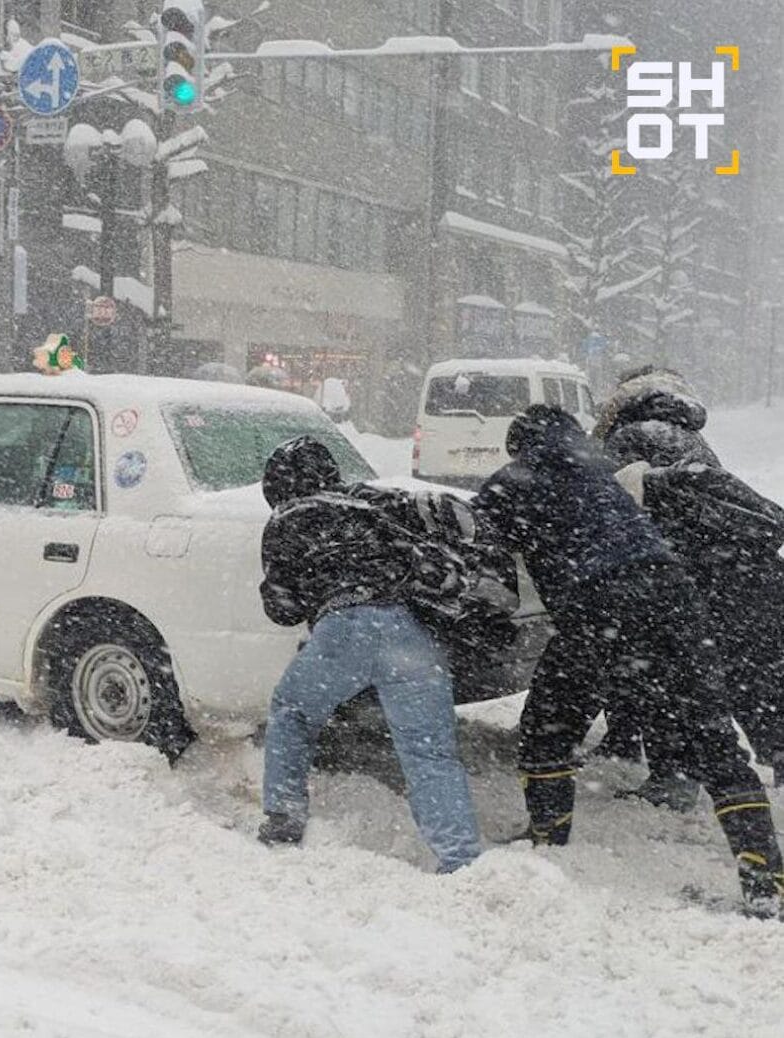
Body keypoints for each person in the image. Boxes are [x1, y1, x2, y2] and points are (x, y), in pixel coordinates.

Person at [467, 404, 784, 915]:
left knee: (548, 724)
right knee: (714, 739)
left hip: (598, 605)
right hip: (674, 595)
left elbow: (480, 557)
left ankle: (547, 836)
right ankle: (765, 872)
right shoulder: (602, 473)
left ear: (519, 445)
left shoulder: (514, 479)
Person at [256, 435, 482, 874]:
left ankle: (284, 818)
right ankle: (460, 858)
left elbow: (281, 608)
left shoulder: (289, 518)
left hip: (345, 631)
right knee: (429, 753)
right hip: (410, 636)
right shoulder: (369, 507)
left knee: (293, 711)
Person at [594, 368, 784, 794]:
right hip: (751, 572)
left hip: (693, 576)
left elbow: (611, 507)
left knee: (663, 671)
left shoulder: (628, 437)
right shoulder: (688, 437)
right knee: (753, 674)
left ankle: (672, 777)